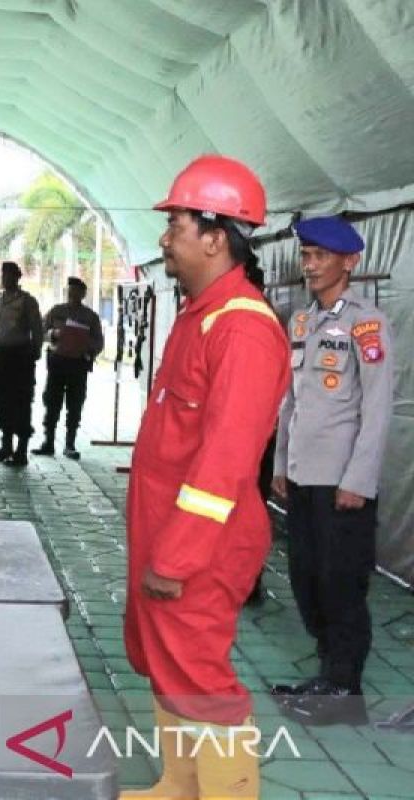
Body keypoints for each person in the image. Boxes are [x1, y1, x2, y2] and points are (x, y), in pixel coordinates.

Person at [122, 155, 288, 800]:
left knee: (201, 678)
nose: (165, 238)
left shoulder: (242, 328)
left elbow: (224, 461)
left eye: (178, 224)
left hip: (200, 547)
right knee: (168, 665)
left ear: (217, 236)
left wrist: (178, 555)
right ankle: (181, 786)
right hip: (169, 534)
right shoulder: (201, 315)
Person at [268, 215, 394, 726]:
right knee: (305, 578)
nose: (310, 266)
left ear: (350, 262)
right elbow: (290, 401)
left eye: (320, 257)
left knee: (341, 584)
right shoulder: (301, 322)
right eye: (306, 256)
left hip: (342, 483)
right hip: (302, 476)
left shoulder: (368, 325)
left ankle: (345, 689)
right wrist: (280, 461)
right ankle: (327, 675)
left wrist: (358, 482)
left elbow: (378, 408)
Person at [32, 276, 104, 459]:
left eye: (77, 292)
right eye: (70, 291)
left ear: (83, 294)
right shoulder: (56, 311)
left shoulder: (90, 317)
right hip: (57, 362)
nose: (73, 295)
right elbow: (40, 331)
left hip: (78, 365)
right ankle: (48, 442)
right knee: (52, 402)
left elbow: (99, 342)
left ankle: (70, 444)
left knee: (75, 404)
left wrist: (87, 346)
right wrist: (53, 334)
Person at [0, 261, 42, 465]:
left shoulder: (27, 301)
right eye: (3, 275)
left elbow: (37, 329)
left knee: (21, 402)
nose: (5, 279)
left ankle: (21, 451)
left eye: (9, 275)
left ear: (17, 278)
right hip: (1, 355)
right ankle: (6, 445)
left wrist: (35, 352)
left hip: (20, 357)